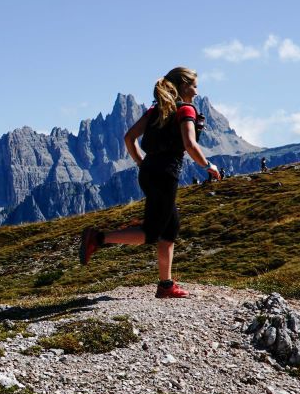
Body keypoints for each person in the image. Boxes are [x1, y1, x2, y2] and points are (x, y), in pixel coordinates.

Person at [78, 67, 220, 298]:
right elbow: (190, 144)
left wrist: (142, 163)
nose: (196, 91)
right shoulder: (185, 110)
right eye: (194, 85)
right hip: (166, 173)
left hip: (149, 170)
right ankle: (98, 237)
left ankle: (166, 285)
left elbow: (129, 138)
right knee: (152, 232)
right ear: (184, 86)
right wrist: (208, 166)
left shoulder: (157, 110)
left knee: (170, 229)